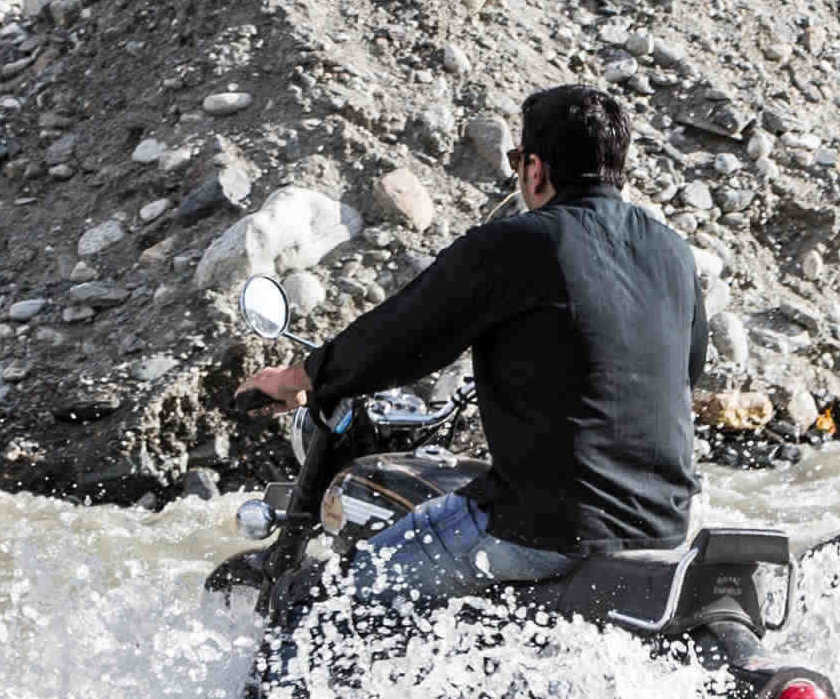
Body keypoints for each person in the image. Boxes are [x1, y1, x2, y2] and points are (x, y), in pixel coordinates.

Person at [239, 81, 707, 607]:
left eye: (518, 159)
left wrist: (299, 378)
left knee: (320, 602)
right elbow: (687, 371)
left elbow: (400, 336)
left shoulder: (519, 243)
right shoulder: (673, 253)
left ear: (535, 168)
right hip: (662, 530)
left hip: (545, 529)